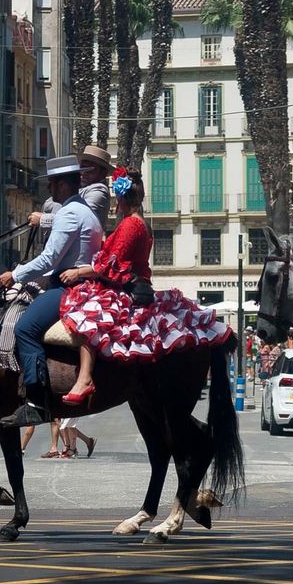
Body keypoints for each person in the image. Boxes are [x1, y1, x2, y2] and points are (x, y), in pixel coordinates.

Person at [56, 168, 231, 406]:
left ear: (121, 199)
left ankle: (85, 378)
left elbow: (111, 264)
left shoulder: (131, 225)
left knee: (88, 316)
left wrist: (77, 271)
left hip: (128, 289)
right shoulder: (137, 223)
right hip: (129, 285)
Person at [0, 155, 106, 427]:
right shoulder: (86, 212)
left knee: (24, 328)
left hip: (69, 287)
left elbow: (49, 259)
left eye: (51, 184)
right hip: (74, 282)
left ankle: (36, 402)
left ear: (62, 186)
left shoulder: (69, 213)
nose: (48, 189)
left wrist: (16, 274)